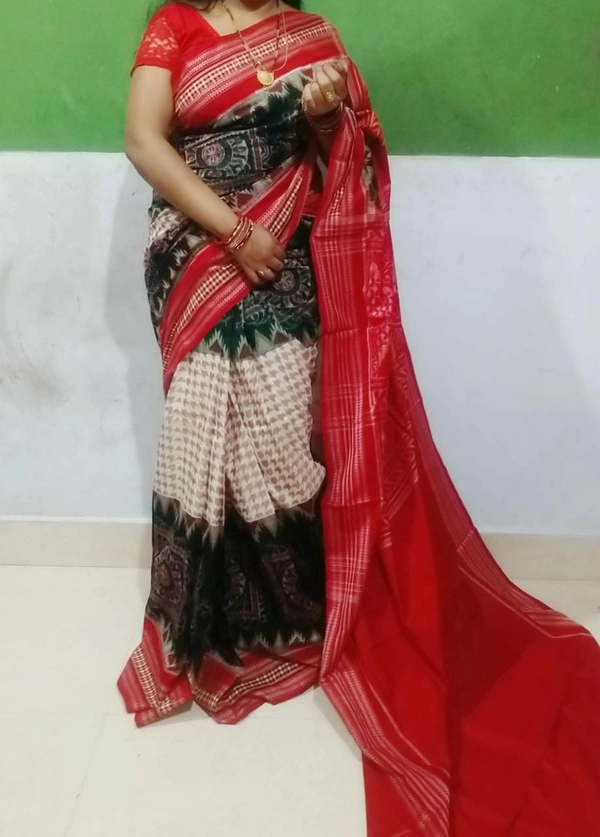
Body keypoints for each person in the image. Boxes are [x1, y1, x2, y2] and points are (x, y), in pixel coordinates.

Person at [118, 2, 600, 833]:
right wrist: (235, 231)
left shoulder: (311, 35)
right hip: (196, 255)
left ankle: (290, 619)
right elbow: (143, 140)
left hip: (284, 261)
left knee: (280, 445)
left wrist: (327, 114)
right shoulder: (174, 24)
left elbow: (350, 156)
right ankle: (207, 626)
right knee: (198, 434)